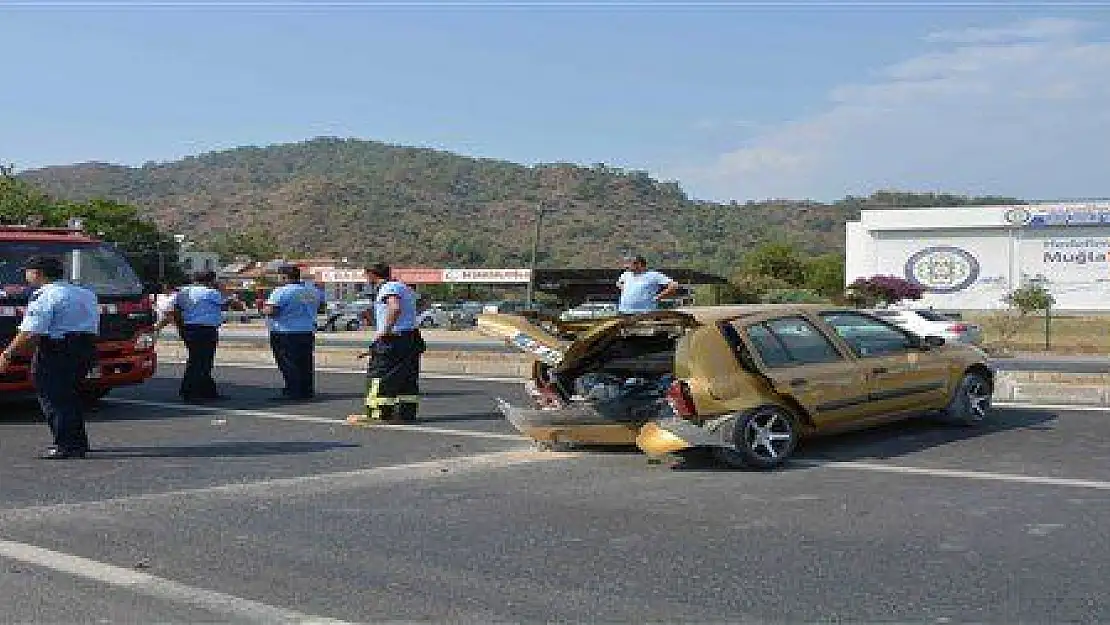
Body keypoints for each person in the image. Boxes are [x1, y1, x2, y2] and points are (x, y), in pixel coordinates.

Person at [0, 255, 99, 459]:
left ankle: (65, 445)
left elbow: (31, 331)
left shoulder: (45, 295)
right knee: (70, 396)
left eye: (27, 272)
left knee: (53, 397)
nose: (26, 276)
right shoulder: (85, 293)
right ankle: (78, 442)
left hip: (57, 349)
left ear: (38, 273)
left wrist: (8, 353)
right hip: (85, 348)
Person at [347, 263, 425, 425]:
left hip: (394, 339)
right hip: (410, 338)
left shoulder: (388, 288)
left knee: (379, 376)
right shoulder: (404, 287)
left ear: (371, 275)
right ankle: (405, 413)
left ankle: (376, 413)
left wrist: (386, 330)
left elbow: (394, 307)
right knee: (406, 377)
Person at [153, 271, 226, 403]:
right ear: (210, 280)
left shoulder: (183, 292)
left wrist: (181, 327)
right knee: (202, 362)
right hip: (205, 329)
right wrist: (221, 288)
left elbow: (175, 310)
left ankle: (208, 391)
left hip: (190, 329)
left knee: (197, 360)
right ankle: (189, 391)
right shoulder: (211, 293)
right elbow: (224, 302)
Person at [264, 265, 320, 400]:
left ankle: (293, 390)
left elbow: (272, 311)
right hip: (306, 330)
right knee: (305, 362)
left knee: (288, 363)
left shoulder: (281, 291)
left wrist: (264, 310)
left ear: (284, 276)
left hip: (285, 331)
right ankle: (306, 390)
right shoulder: (311, 291)